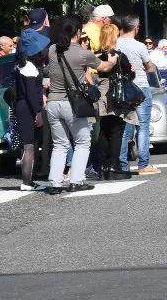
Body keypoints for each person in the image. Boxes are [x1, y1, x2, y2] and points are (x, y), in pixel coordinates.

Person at [45, 16, 118, 194]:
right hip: (72, 104)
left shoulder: (53, 50)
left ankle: (55, 183)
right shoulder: (83, 53)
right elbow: (104, 68)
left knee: (60, 144)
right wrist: (113, 60)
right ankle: (76, 181)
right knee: (82, 142)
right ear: (78, 33)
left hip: (53, 102)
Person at [117, 15, 160, 176]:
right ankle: (143, 164)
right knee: (142, 127)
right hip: (140, 86)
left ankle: (122, 165)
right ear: (136, 28)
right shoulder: (140, 46)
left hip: (122, 88)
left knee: (123, 128)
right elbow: (150, 67)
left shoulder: (115, 43)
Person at [96, 24, 136, 180]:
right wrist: (131, 71)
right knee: (118, 130)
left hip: (102, 92)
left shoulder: (97, 55)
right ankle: (114, 165)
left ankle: (102, 165)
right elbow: (129, 75)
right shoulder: (118, 55)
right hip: (117, 94)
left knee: (104, 129)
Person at [14, 29, 50, 191]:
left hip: (22, 106)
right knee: (29, 145)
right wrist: (38, 112)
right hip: (28, 108)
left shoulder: (21, 65)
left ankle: (29, 181)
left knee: (31, 144)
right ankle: (26, 182)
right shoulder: (30, 67)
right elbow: (31, 94)